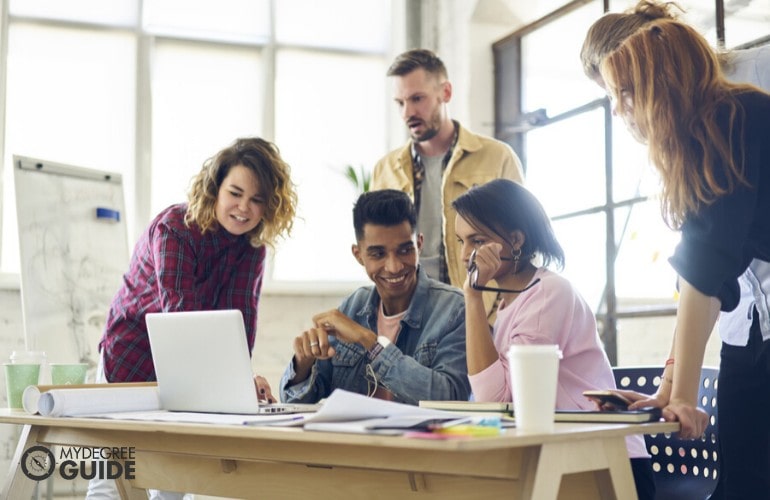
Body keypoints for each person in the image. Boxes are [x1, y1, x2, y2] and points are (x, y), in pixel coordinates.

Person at [581, 4, 770, 497]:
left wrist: (683, 394)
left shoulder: (733, 116)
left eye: (624, 92)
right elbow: (704, 275)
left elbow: (707, 267)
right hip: (751, 331)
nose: (620, 110)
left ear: (662, 76)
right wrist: (670, 389)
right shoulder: (703, 133)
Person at [88, 137, 297, 499]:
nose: (244, 208)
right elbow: (182, 321)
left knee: (174, 486)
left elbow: (239, 326)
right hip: (130, 362)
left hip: (187, 379)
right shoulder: (174, 229)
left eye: (257, 199)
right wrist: (235, 382)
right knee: (111, 485)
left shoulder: (252, 248)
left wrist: (239, 379)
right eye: (235, 193)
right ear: (215, 188)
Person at [452, 178, 655, 499]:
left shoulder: (548, 293)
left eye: (476, 241)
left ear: (516, 240)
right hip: (563, 454)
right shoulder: (509, 302)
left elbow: (498, 401)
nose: (466, 255)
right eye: (461, 241)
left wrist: (472, 297)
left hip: (608, 463)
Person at [371, 48, 525, 322]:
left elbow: (520, 247)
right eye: (400, 103)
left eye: (417, 99)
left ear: (446, 92)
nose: (408, 112)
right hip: (410, 321)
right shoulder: (385, 170)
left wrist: (493, 321)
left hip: (479, 317)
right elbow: (377, 247)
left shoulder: (497, 157)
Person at [279, 189, 470, 405]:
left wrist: (371, 343)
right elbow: (292, 402)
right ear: (358, 254)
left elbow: (452, 398)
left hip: (417, 439)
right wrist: (303, 364)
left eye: (405, 250)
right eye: (378, 254)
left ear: (419, 243)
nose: (394, 266)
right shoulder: (352, 307)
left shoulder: (455, 310)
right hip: (356, 438)